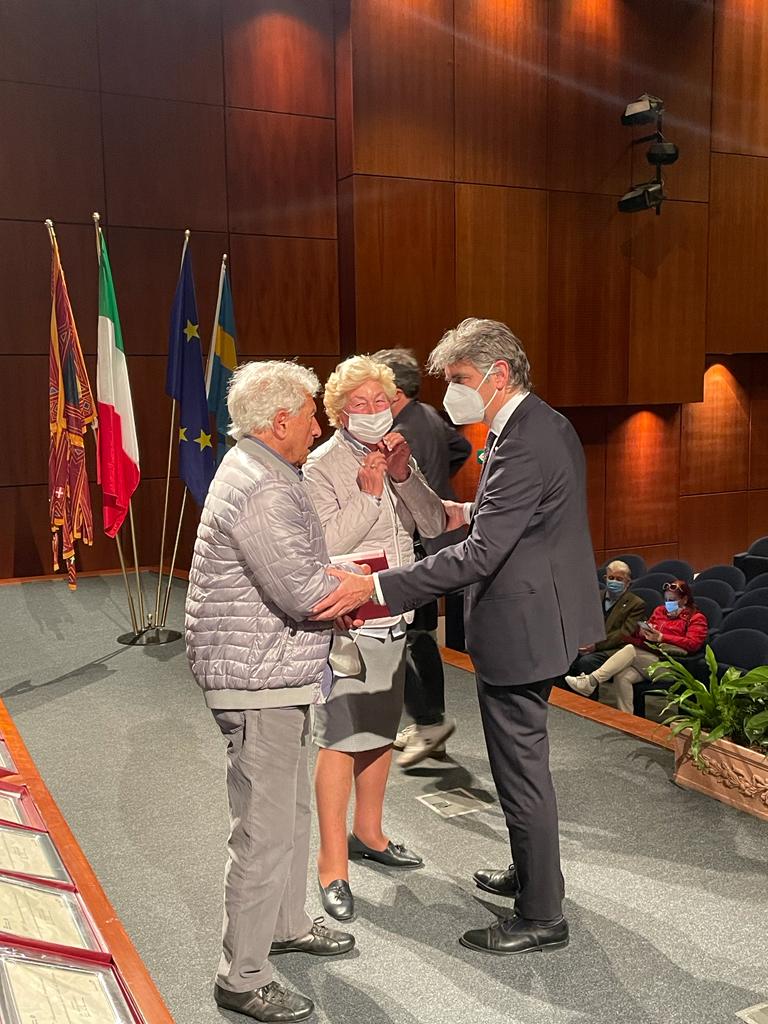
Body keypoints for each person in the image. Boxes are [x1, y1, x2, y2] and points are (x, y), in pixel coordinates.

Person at [312, 318, 605, 956]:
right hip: (537, 613)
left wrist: (377, 587)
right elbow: (523, 515)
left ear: (498, 375)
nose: (452, 393)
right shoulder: (537, 424)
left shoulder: (523, 439)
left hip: (526, 623)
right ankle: (534, 873)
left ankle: (541, 914)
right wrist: (469, 511)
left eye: (461, 379)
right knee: (518, 766)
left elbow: (481, 553)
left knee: (520, 771)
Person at [185, 361, 355, 1024]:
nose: (318, 427)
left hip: (273, 672)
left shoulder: (263, 469)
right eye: (311, 416)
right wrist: (362, 587)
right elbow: (303, 591)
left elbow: (298, 572)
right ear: (280, 422)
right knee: (263, 832)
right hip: (259, 681)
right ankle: (243, 976)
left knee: (289, 817)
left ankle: (286, 926)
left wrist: (335, 580)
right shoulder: (261, 485)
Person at [303, 354, 446, 924]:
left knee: (380, 730)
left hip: (394, 613)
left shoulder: (397, 452)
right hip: (348, 620)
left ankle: (369, 833)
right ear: (340, 413)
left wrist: (404, 477)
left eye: (380, 401)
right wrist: (367, 495)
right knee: (340, 736)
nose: (371, 410)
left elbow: (432, 526)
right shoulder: (321, 466)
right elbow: (321, 545)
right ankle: (331, 865)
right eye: (358, 403)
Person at [372, 347, 472, 767]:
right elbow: (461, 448)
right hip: (441, 543)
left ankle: (429, 723)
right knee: (422, 638)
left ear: (394, 391)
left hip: (418, 547)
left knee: (407, 640)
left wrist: (422, 490)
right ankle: (431, 722)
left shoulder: (397, 433)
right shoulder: (430, 415)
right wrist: (438, 483)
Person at [565, 579, 707, 714]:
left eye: (672, 600)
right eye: (666, 600)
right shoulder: (660, 611)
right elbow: (648, 632)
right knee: (622, 676)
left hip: (671, 665)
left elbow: (693, 644)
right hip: (649, 657)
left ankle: (591, 681)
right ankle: (626, 718)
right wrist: (643, 632)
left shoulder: (696, 618)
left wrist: (662, 637)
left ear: (684, 600)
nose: (668, 604)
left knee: (630, 649)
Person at [563, 560, 646, 692]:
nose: (614, 582)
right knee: (565, 658)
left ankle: (587, 700)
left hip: (615, 649)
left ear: (628, 582)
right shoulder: (595, 596)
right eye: (611, 578)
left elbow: (624, 634)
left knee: (587, 662)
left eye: (619, 579)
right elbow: (583, 621)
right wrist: (583, 640)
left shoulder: (636, 604)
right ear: (605, 578)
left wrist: (596, 645)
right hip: (589, 644)